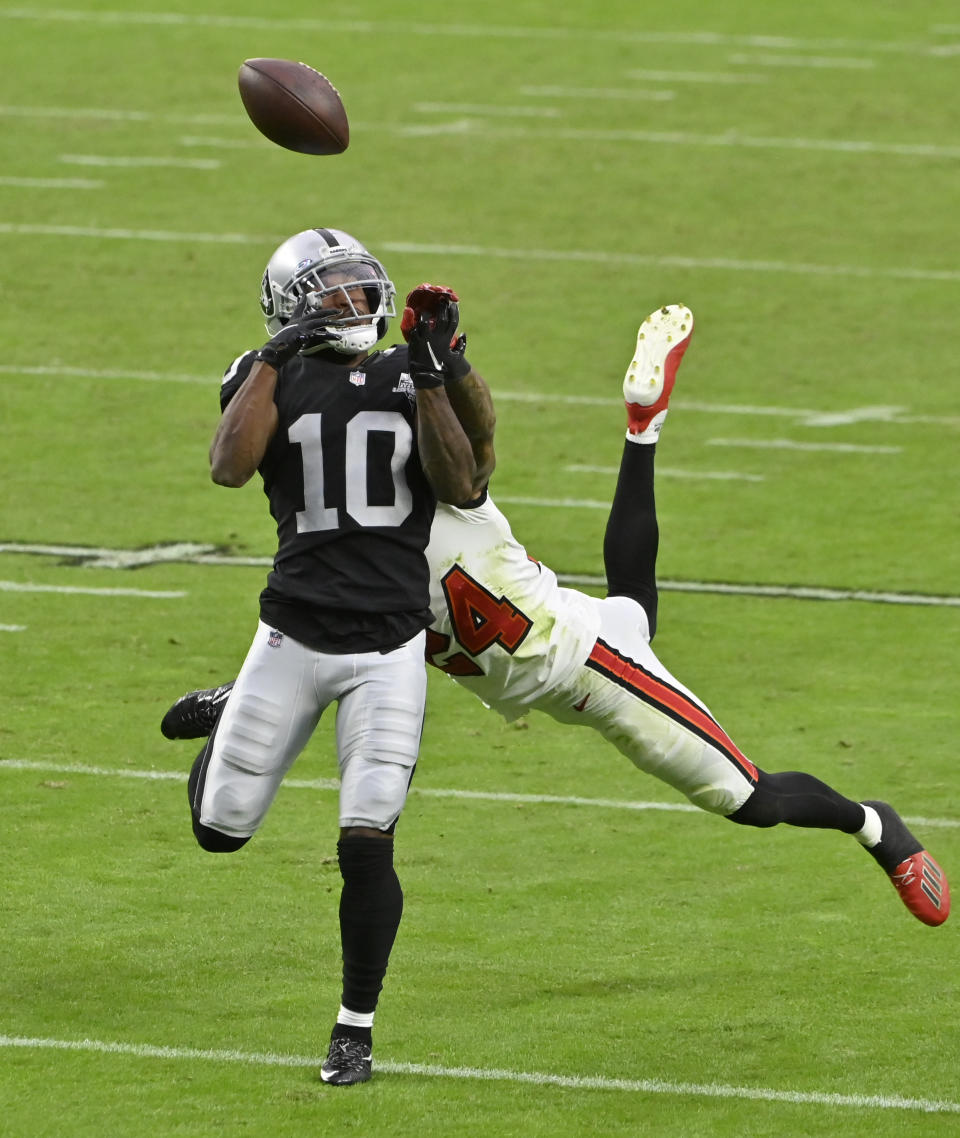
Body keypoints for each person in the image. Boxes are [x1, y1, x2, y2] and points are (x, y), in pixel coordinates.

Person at [166, 300, 949, 992]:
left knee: (746, 796)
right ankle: (643, 427)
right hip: (520, 650)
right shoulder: (358, 532)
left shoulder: (443, 493)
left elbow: (473, 452)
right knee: (632, 608)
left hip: (584, 668)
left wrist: (445, 366)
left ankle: (875, 827)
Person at [181, 228, 484, 1087]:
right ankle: (229, 713)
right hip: (293, 637)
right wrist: (276, 356)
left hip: (389, 646)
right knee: (219, 833)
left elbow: (465, 482)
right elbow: (228, 468)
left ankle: (355, 1028)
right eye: (334, 291)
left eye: (361, 288)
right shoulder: (266, 370)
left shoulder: (405, 374)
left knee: (367, 839)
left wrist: (436, 369)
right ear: (291, 304)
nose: (355, 303)